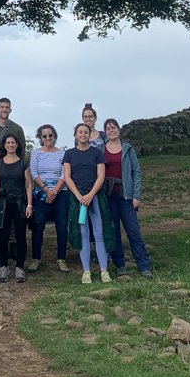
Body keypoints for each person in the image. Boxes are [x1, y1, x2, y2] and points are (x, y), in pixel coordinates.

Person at [102, 118, 153, 279]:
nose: (111, 131)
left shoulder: (127, 149)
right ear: (105, 132)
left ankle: (144, 266)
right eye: (108, 129)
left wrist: (136, 196)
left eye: (113, 127)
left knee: (133, 231)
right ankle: (120, 266)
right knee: (114, 231)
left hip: (126, 196)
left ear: (119, 129)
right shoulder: (101, 150)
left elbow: (136, 172)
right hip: (109, 196)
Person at [62, 122, 110, 284]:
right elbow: (67, 177)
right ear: (75, 135)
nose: (83, 135)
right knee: (83, 233)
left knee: (99, 232)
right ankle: (86, 271)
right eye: (80, 132)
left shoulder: (97, 153)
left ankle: (104, 271)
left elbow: (101, 176)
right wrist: (78, 195)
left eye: (85, 132)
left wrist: (90, 195)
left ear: (90, 135)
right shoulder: (69, 153)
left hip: (94, 196)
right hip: (78, 199)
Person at [28, 124, 69, 273]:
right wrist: (46, 190)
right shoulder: (36, 153)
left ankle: (61, 258)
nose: (48, 138)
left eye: (50, 135)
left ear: (54, 136)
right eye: (44, 136)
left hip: (61, 192)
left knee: (62, 226)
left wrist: (54, 192)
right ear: (40, 138)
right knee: (38, 226)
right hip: (41, 192)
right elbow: (34, 173)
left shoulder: (62, 153)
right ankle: (35, 258)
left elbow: (64, 175)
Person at [0, 134, 32, 282]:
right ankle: (4, 267)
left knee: (20, 235)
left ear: (17, 145)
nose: (10, 145)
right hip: (4, 203)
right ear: (4, 145)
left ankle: (19, 268)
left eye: (13, 143)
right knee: (3, 236)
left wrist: (29, 204)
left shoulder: (23, 164)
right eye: (8, 142)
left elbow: (28, 184)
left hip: (20, 203)